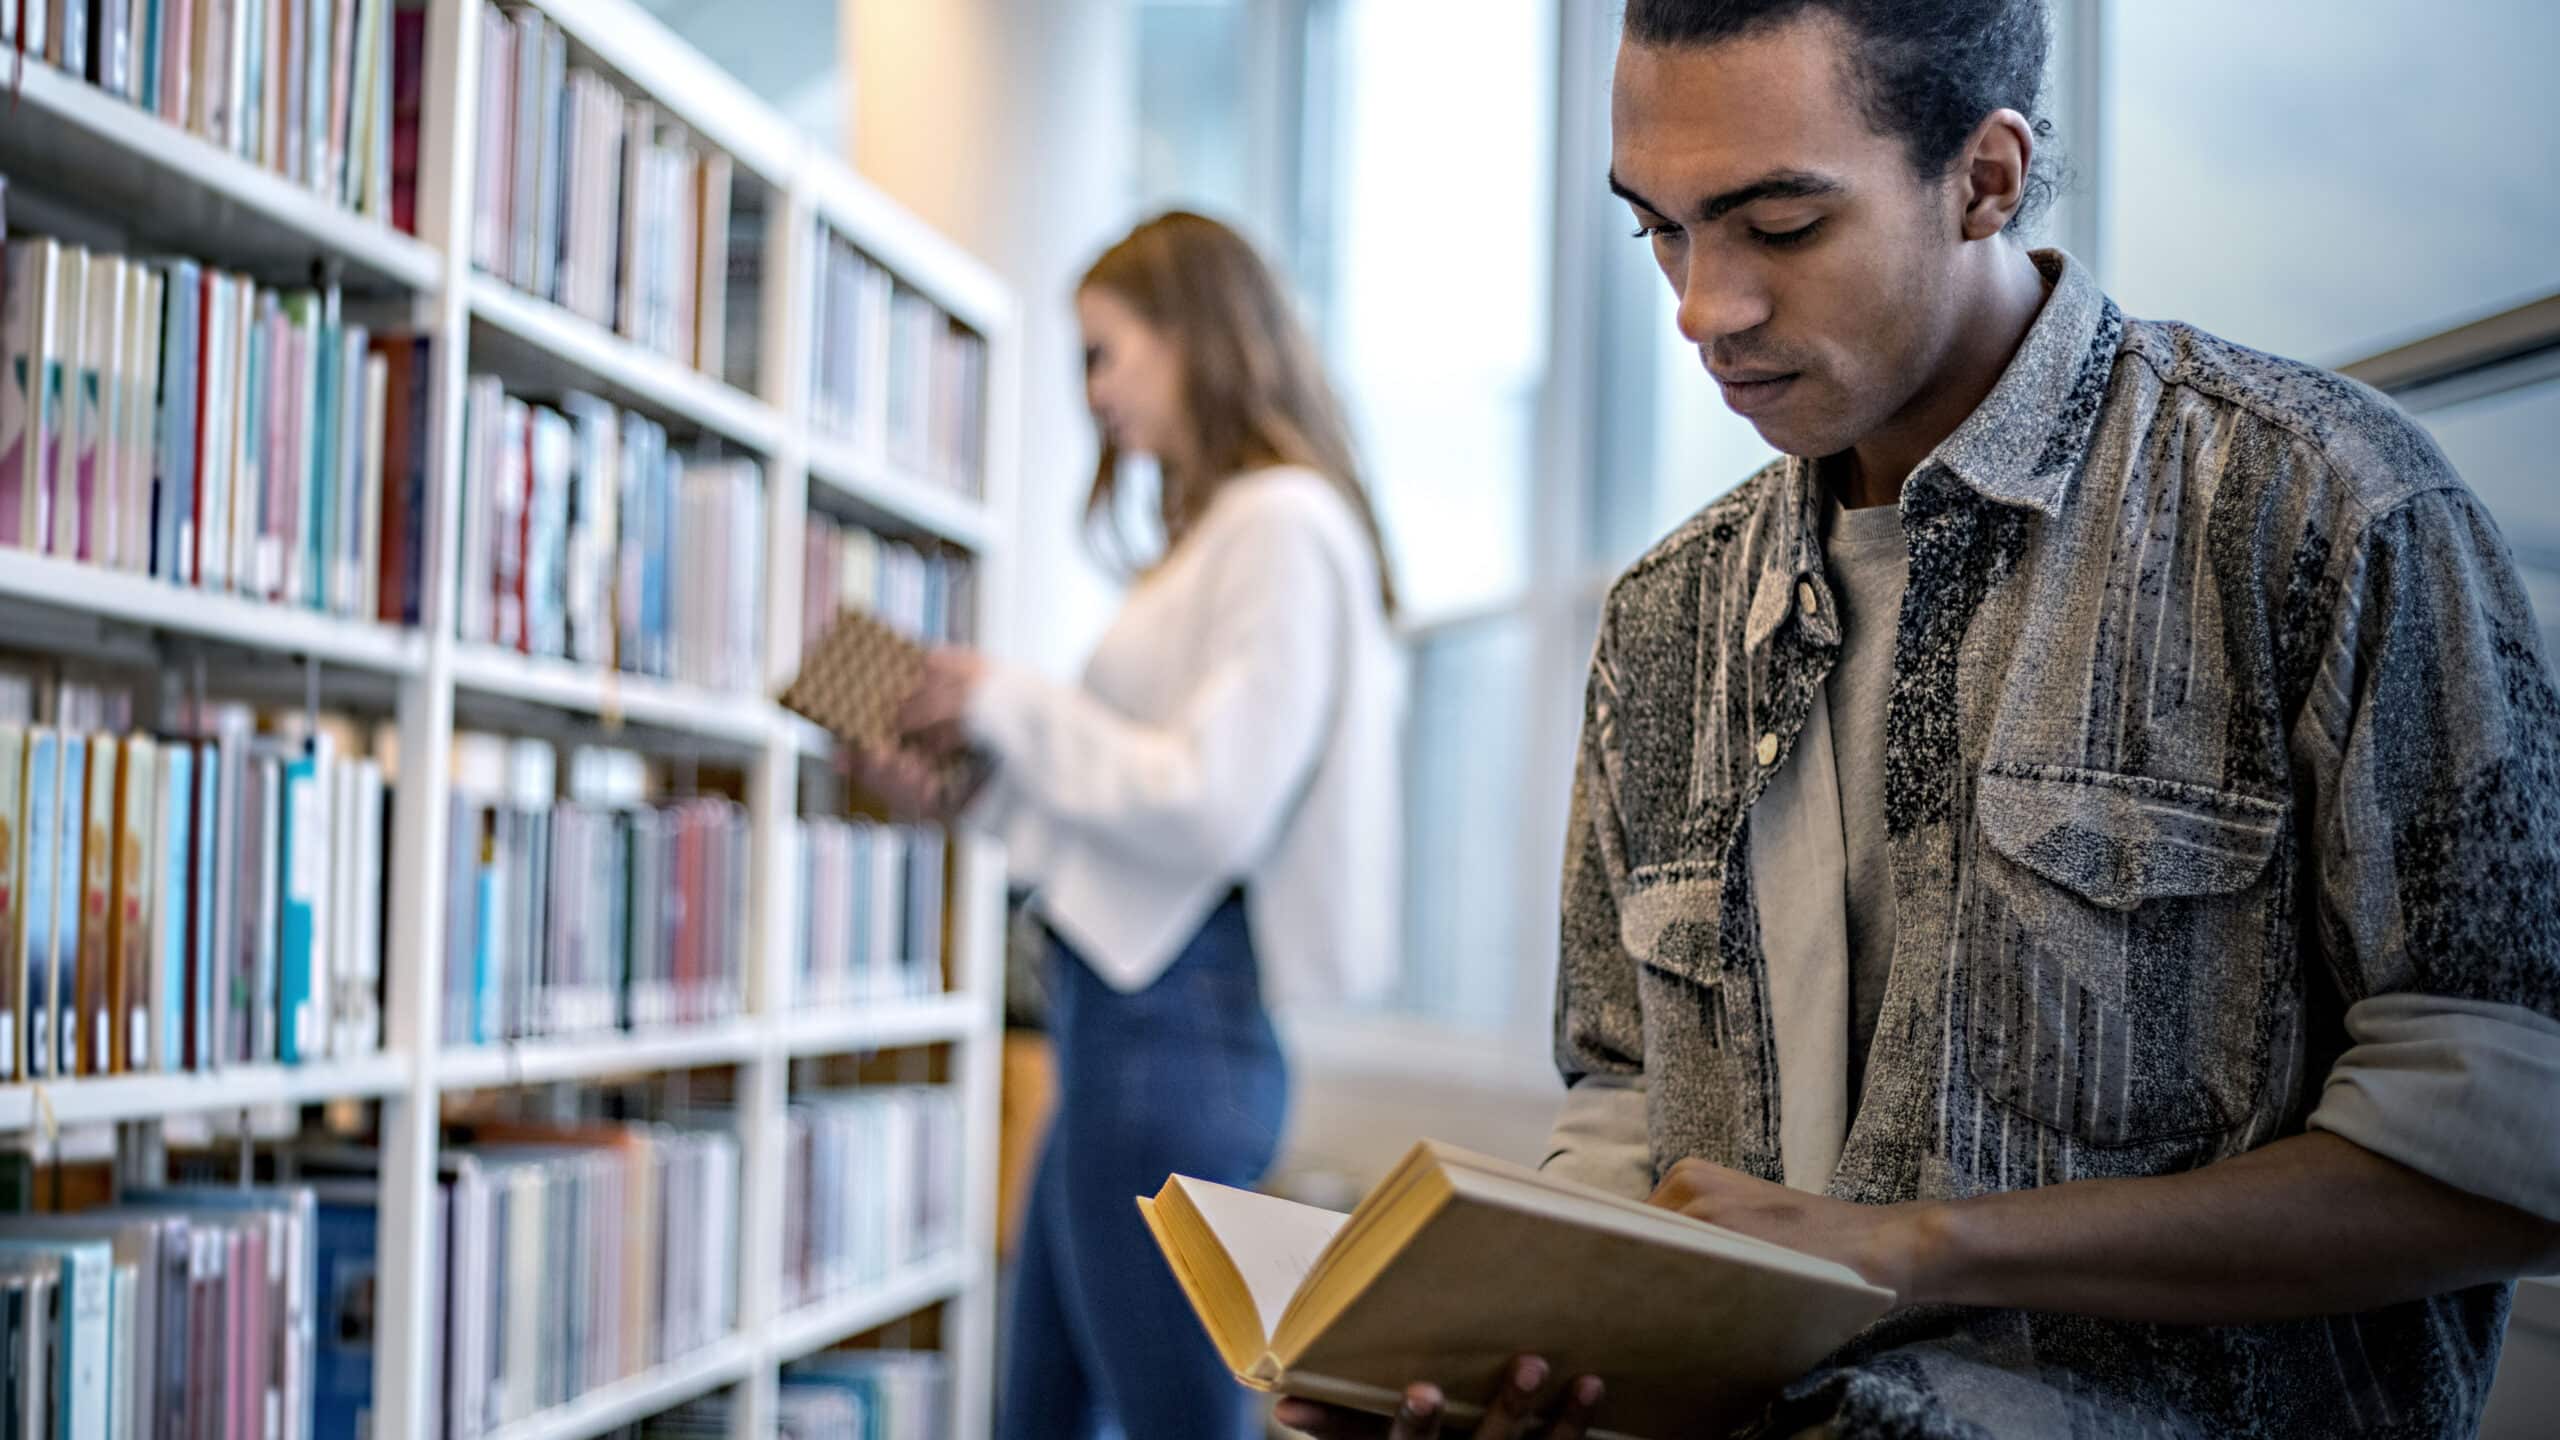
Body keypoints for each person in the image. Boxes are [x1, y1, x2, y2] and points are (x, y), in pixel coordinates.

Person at [1278, 2, 2560, 1437]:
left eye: (1777, 225)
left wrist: (1916, 1249)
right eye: (1662, 228)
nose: (1703, 307)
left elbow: (2509, 1155)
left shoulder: (2321, 512)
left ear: (1987, 179)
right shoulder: (1662, 622)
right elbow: (1627, 1108)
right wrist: (1503, 1345)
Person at [854, 210, 1406, 1440]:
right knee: (1041, 1413)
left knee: (1164, 1424)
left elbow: (1210, 805)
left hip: (1172, 1034)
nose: (1094, 392)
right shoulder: (1219, 537)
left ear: (1195, 336)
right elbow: (1131, 822)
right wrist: (968, 789)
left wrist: (1003, 697)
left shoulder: (1280, 524)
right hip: (1117, 1026)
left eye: (1107, 352)